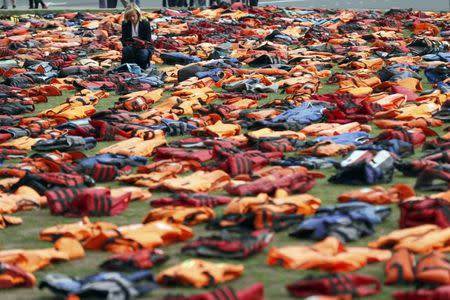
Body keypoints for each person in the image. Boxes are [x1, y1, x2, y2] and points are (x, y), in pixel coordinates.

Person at [121, 4, 153, 70]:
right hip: (130, 46)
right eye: (130, 16)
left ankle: (142, 68)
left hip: (144, 46)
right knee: (126, 50)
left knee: (143, 53)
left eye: (133, 16)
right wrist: (131, 43)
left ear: (138, 14)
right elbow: (124, 39)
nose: (132, 18)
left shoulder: (145, 23)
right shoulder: (125, 23)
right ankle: (129, 68)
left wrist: (138, 42)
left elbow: (148, 40)